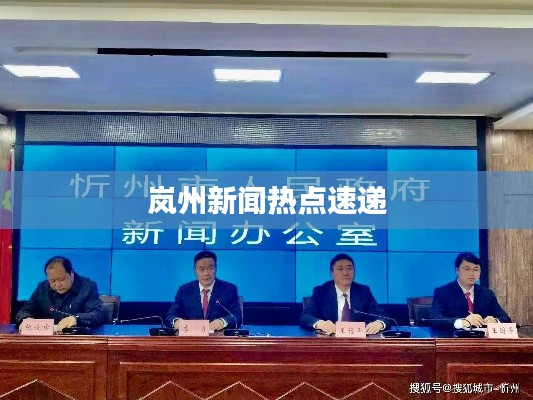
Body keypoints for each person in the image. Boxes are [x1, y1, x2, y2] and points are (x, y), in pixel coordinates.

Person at [299, 253, 386, 335]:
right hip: (329, 341)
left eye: (349, 268)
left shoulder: (363, 291)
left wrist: (379, 323)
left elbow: (382, 316)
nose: (345, 273)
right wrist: (320, 323)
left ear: (354, 271)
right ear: (332, 273)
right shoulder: (321, 291)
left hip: (359, 341)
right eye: (340, 269)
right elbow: (305, 317)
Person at [16, 256, 105, 332]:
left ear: (72, 273)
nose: (58, 285)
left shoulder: (87, 287)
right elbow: (24, 311)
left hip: (77, 340)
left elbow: (98, 314)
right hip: (48, 340)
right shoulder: (42, 288)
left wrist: (76, 318)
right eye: (52, 281)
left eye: (61, 279)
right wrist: (25, 319)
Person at [164, 250, 242, 331]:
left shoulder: (229, 290)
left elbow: (237, 316)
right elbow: (170, 316)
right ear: (195, 270)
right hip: (191, 337)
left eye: (210, 268)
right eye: (202, 269)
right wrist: (176, 322)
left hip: (219, 337)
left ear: (216, 268)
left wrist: (223, 322)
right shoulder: (184, 291)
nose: (206, 273)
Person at [431, 252, 511, 329]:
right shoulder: (442, 292)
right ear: (457, 270)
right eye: (467, 269)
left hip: (482, 337)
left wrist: (495, 321)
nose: (471, 273)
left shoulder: (487, 293)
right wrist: (463, 322)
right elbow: (436, 319)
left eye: (476, 269)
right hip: (453, 337)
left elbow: (505, 318)